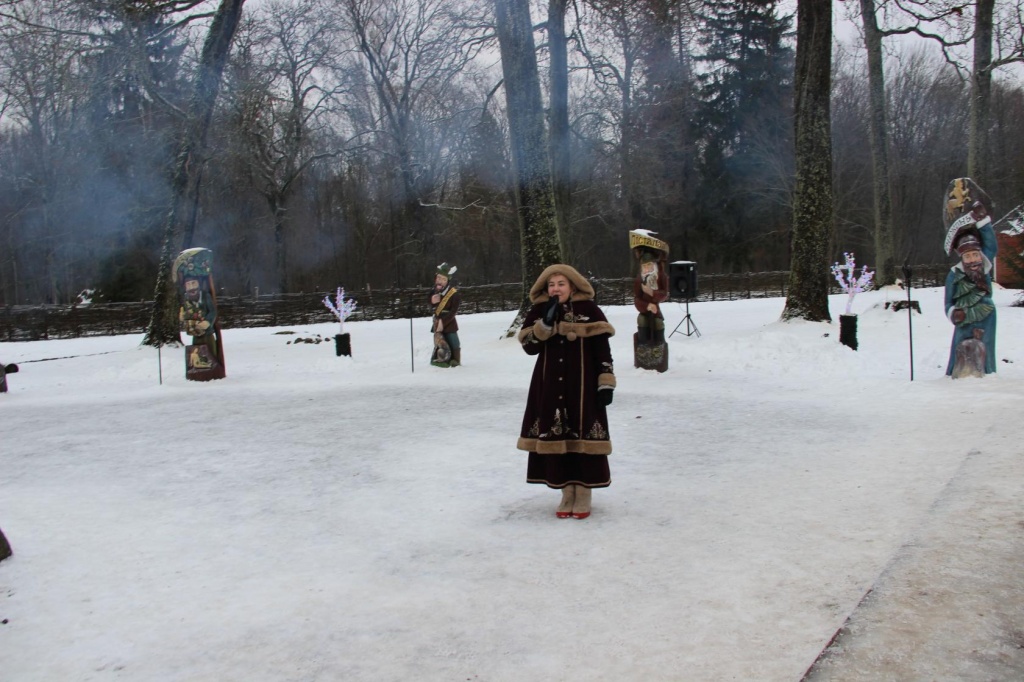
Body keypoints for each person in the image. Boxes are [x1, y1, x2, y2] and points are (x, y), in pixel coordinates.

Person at [516, 264, 615, 519]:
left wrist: (606, 381)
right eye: (551, 285)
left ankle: (583, 491)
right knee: (557, 434)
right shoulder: (539, 310)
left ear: (572, 286)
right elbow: (529, 347)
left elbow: (602, 350)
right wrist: (545, 324)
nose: (556, 289)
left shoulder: (589, 310)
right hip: (549, 385)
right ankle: (566, 490)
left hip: (583, 386)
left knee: (583, 433)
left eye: (561, 284)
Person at [944, 201, 997, 376]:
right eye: (968, 256)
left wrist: (982, 221)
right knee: (960, 344)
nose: (973, 260)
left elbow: (992, 246)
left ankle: (988, 371)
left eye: (975, 255)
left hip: (986, 313)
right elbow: (948, 303)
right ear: (962, 258)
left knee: (986, 345)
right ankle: (955, 372)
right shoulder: (954, 275)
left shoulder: (984, 267)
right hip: (964, 315)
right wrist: (953, 313)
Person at [429, 262, 461, 367]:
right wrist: (431, 300)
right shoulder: (434, 291)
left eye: (443, 279)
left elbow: (453, 311)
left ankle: (455, 360)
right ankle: (439, 358)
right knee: (439, 341)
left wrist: (443, 322)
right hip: (437, 320)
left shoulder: (454, 294)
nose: (440, 281)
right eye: (438, 278)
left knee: (454, 341)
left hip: (449, 321)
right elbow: (429, 302)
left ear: (447, 281)